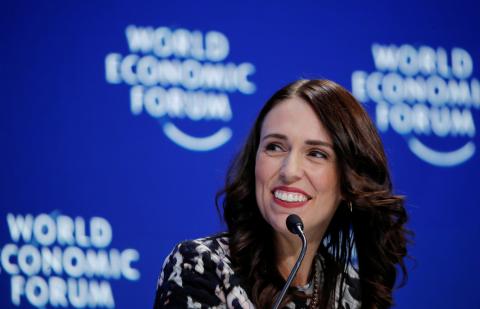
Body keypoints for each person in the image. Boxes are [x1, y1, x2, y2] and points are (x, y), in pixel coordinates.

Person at [154, 79, 411, 308]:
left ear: (349, 181)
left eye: (316, 153)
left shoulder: (353, 292)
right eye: (275, 147)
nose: (289, 171)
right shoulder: (201, 265)